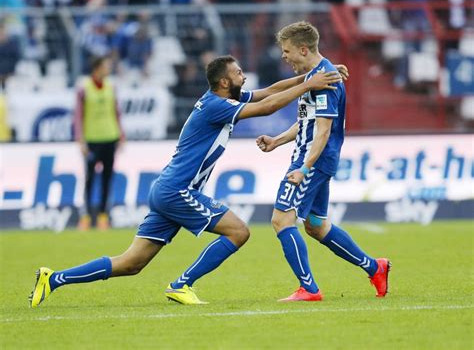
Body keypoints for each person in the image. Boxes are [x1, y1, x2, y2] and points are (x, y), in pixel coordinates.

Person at [29, 55, 343, 307]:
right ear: (224, 82)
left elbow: (269, 91)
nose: (244, 77)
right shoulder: (217, 106)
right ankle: (182, 285)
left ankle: (54, 279)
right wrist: (308, 85)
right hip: (178, 191)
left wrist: (314, 76)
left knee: (131, 263)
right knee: (238, 231)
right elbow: (266, 106)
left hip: (166, 189)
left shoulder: (220, 99)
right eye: (239, 73)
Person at [256, 21, 391, 302]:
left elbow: (323, 131)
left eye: (287, 51)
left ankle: (309, 289)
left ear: (303, 49)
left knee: (282, 220)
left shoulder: (325, 81)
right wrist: (277, 141)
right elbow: (307, 122)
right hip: (313, 159)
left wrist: (304, 169)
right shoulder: (316, 75)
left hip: (312, 162)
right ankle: (374, 267)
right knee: (316, 225)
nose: (284, 57)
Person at [74, 55, 125, 231]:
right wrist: (80, 140)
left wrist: (121, 135)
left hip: (109, 137)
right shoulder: (84, 88)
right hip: (92, 140)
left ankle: (103, 216)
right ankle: (86, 216)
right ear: (97, 68)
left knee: (106, 179)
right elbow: (78, 115)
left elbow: (116, 112)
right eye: (105, 66)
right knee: (89, 179)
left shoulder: (111, 87)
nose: (108, 69)